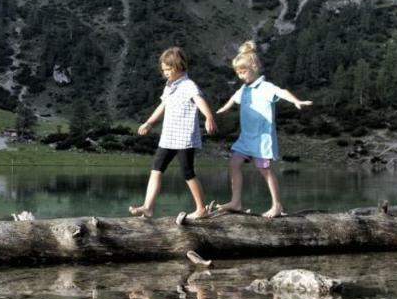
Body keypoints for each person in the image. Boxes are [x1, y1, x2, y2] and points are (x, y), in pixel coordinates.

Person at [216, 41, 311, 218]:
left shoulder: (266, 87)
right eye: (238, 73)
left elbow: (282, 92)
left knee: (264, 170)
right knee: (234, 163)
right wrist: (225, 108)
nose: (240, 76)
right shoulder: (243, 89)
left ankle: (277, 205)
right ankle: (236, 202)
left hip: (262, 139)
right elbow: (233, 98)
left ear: (254, 67)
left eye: (243, 72)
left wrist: (296, 101)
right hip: (245, 138)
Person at [130, 47, 217, 219]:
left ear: (178, 67)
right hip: (168, 136)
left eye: (168, 70)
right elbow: (162, 106)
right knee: (156, 169)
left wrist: (208, 117)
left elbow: (199, 100)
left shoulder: (188, 85)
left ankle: (201, 209)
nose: (165, 73)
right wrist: (149, 122)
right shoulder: (169, 86)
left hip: (184, 137)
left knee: (188, 172)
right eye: (163, 70)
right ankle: (148, 207)